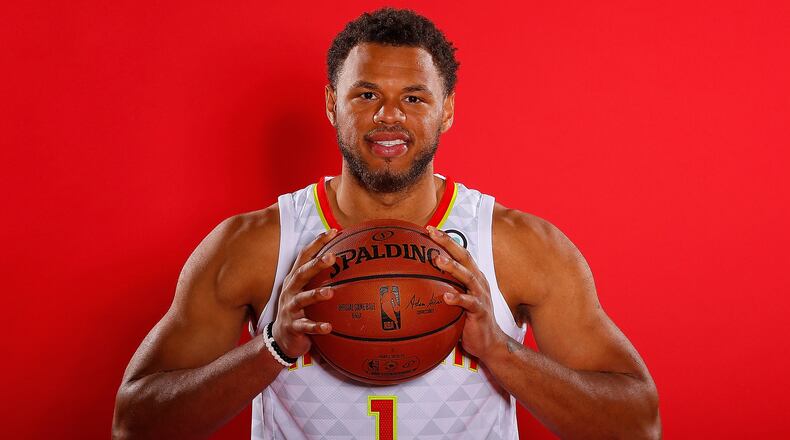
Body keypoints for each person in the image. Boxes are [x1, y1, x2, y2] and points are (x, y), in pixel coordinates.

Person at [113, 8, 660, 439]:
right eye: (366, 94)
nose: (389, 116)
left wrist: (501, 351)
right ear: (332, 104)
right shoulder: (256, 244)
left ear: (446, 109)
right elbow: (135, 422)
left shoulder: (517, 246)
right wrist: (272, 349)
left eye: (414, 97)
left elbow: (636, 425)